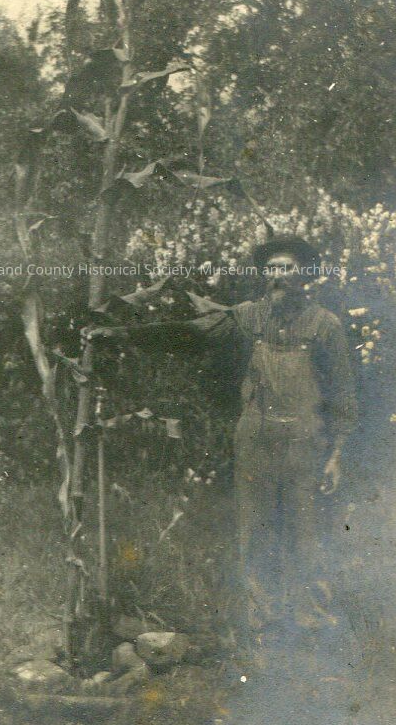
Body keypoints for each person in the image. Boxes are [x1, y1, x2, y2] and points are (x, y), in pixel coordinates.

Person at [84, 234, 357, 646]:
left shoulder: (325, 326)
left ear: (305, 274)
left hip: (306, 442)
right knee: (255, 533)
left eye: (286, 268)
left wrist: (336, 455)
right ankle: (264, 625)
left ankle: (313, 622)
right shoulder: (247, 317)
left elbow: (343, 395)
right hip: (256, 438)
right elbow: (191, 332)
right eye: (271, 269)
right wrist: (120, 334)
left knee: (307, 534)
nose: (278, 276)